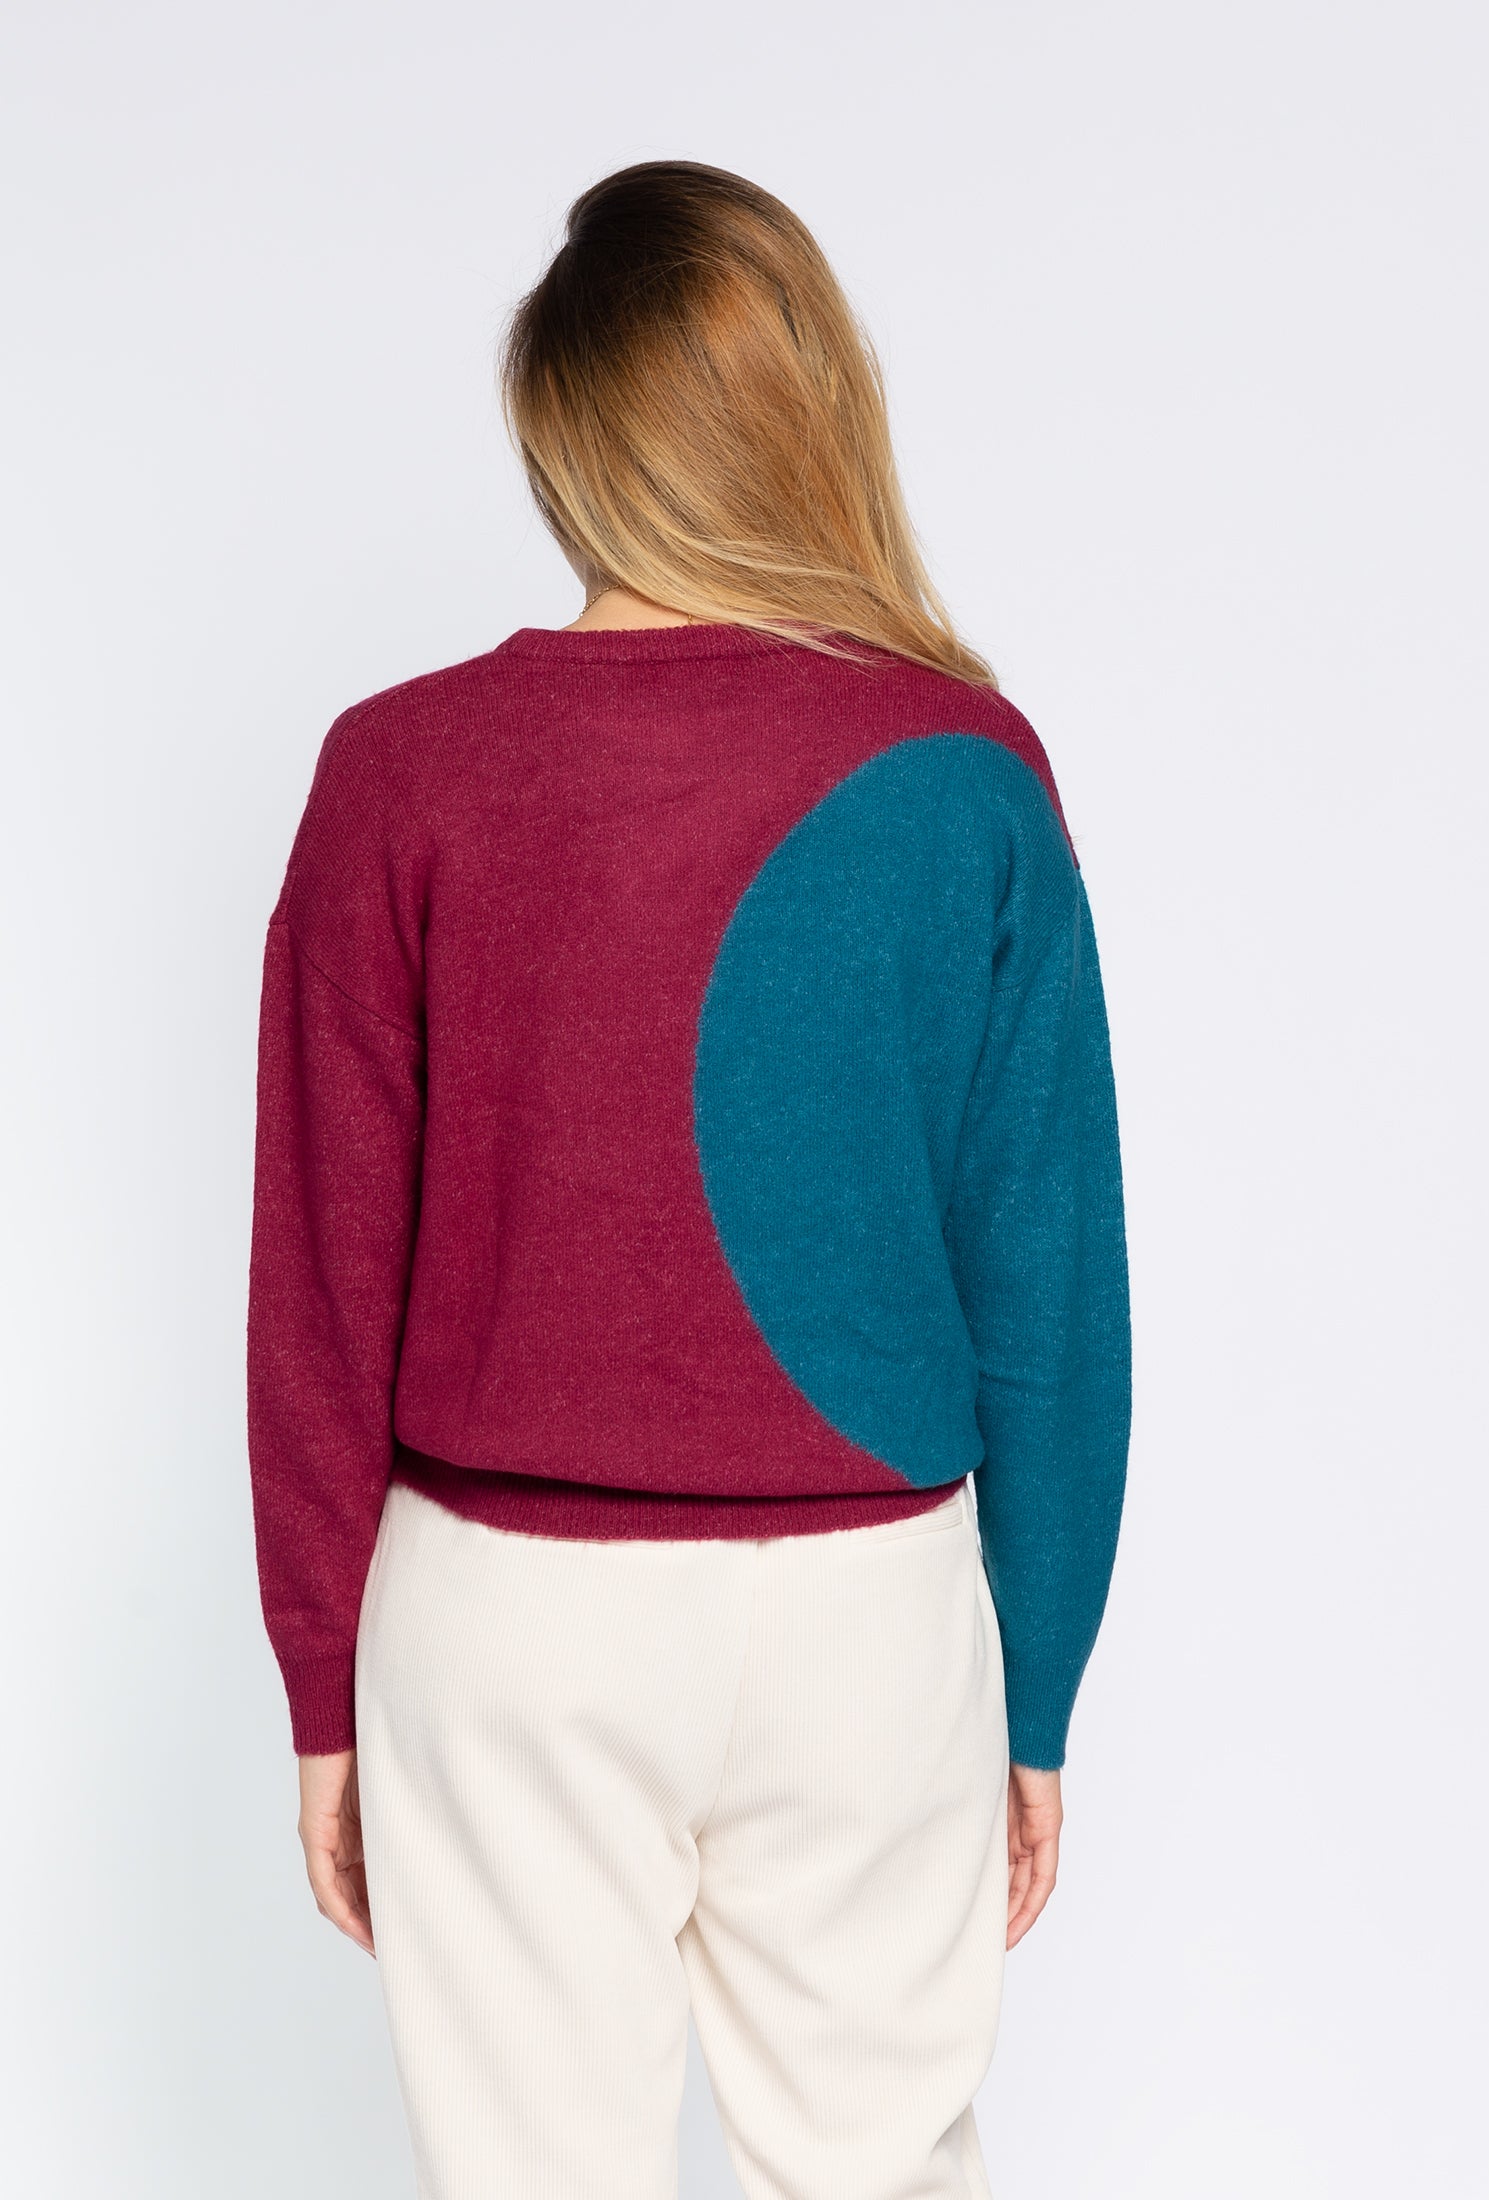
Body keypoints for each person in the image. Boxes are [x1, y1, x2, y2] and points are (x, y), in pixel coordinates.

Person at [247, 159, 1131, 2200]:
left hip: (505, 1613)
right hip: (869, 1614)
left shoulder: (399, 771)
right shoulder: (971, 768)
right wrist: (1037, 1678)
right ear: (811, 410)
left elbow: (322, 1284)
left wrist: (319, 1686)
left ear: (565, 438)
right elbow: (1050, 1287)